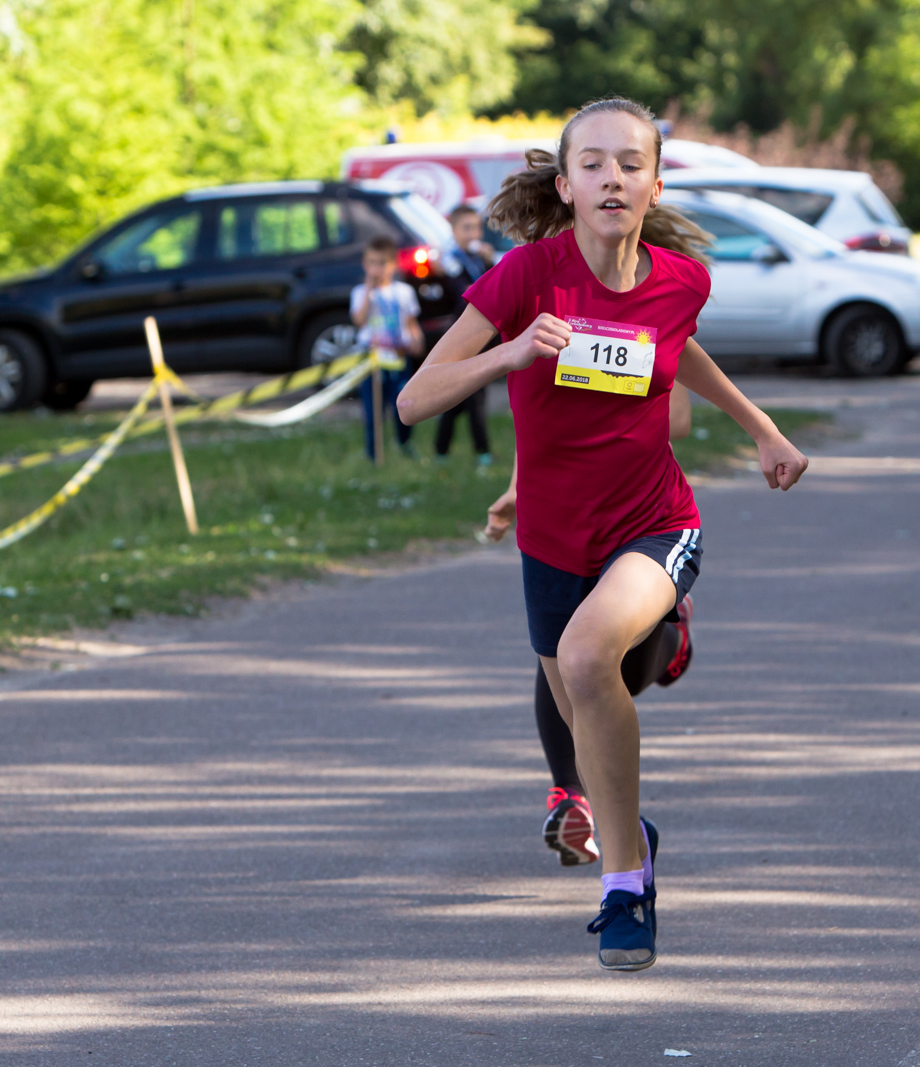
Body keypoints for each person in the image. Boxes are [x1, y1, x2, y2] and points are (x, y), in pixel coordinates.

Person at [396, 96, 809, 972]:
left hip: (656, 522)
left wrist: (761, 426)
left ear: (656, 183)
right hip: (553, 538)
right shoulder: (523, 278)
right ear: (566, 183)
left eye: (630, 162)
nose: (612, 176)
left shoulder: (680, 280)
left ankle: (623, 887)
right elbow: (415, 398)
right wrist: (510, 355)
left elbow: (676, 348)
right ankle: (634, 831)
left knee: (588, 660)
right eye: (593, 163)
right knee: (581, 700)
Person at [483, 385, 696, 867]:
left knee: (618, 667)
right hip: (560, 520)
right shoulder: (548, 317)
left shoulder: (652, 311)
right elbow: (538, 411)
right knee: (565, 650)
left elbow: (678, 418)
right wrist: (521, 485)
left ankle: (673, 636)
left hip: (637, 515)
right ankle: (571, 792)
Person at [434, 205, 499, 465]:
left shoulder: (480, 258)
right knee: (473, 394)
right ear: (453, 230)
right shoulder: (448, 259)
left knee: (458, 397)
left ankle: (441, 450)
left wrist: (490, 261)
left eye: (477, 227)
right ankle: (482, 452)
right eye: (467, 228)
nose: (474, 234)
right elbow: (462, 294)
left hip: (481, 335)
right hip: (459, 336)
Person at [351, 235, 424, 459]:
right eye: (371, 263)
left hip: (399, 356)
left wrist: (417, 339)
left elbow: (411, 322)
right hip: (371, 359)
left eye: (381, 263)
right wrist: (368, 292)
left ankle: (404, 443)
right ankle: (373, 453)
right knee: (373, 409)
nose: (376, 269)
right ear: (365, 265)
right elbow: (359, 320)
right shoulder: (360, 293)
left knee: (403, 403)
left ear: (393, 265)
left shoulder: (404, 292)